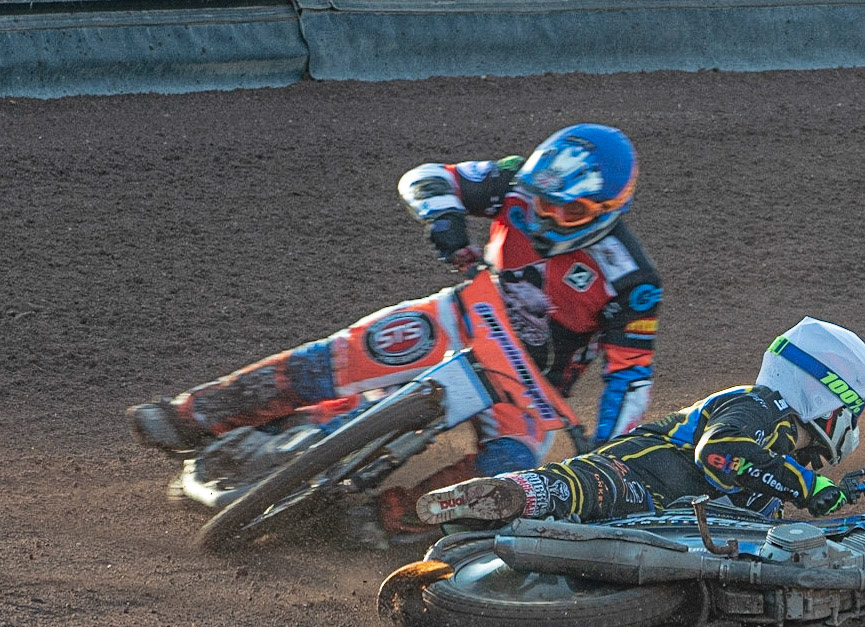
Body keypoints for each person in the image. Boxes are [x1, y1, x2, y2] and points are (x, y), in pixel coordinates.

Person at [127, 124, 662, 537]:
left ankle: (386, 523)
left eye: (569, 212)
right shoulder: (514, 181)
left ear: (608, 211)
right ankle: (194, 414)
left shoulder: (632, 281)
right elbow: (428, 177)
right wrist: (444, 218)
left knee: (502, 484)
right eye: (541, 200)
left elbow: (630, 377)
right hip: (465, 318)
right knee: (338, 357)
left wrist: (607, 457)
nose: (545, 217)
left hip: (531, 390)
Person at [415, 318, 865, 529]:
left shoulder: (780, 447)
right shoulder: (763, 407)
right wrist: (807, 485)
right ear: (830, 393)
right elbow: (722, 455)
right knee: (590, 488)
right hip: (642, 476)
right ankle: (509, 494)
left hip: (669, 521)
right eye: (858, 405)